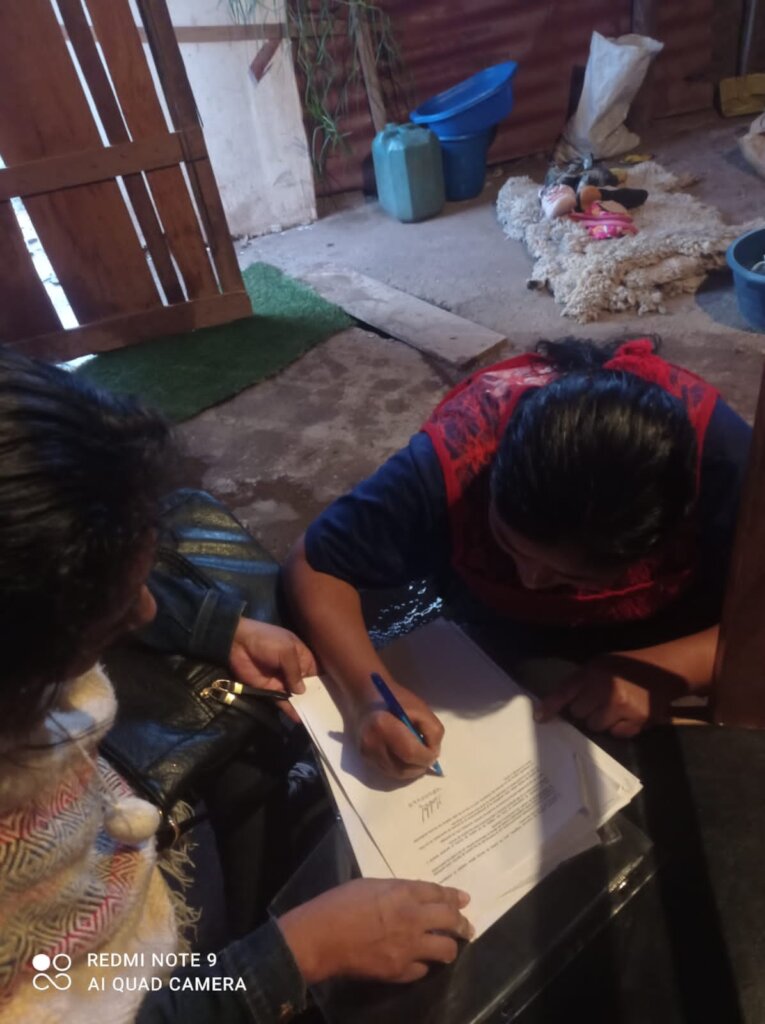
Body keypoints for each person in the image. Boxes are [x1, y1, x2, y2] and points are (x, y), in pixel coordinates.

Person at [0, 349, 473, 1023]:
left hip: (115, 853)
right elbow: (72, 992)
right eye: (112, 612)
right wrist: (289, 957)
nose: (145, 612)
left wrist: (216, 627)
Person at [284, 337, 752, 781]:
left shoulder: (726, 463)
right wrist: (369, 698)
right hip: (496, 623)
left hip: (679, 622)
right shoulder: (451, 462)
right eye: (509, 545)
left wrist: (671, 669)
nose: (529, 579)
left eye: (571, 576)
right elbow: (316, 561)